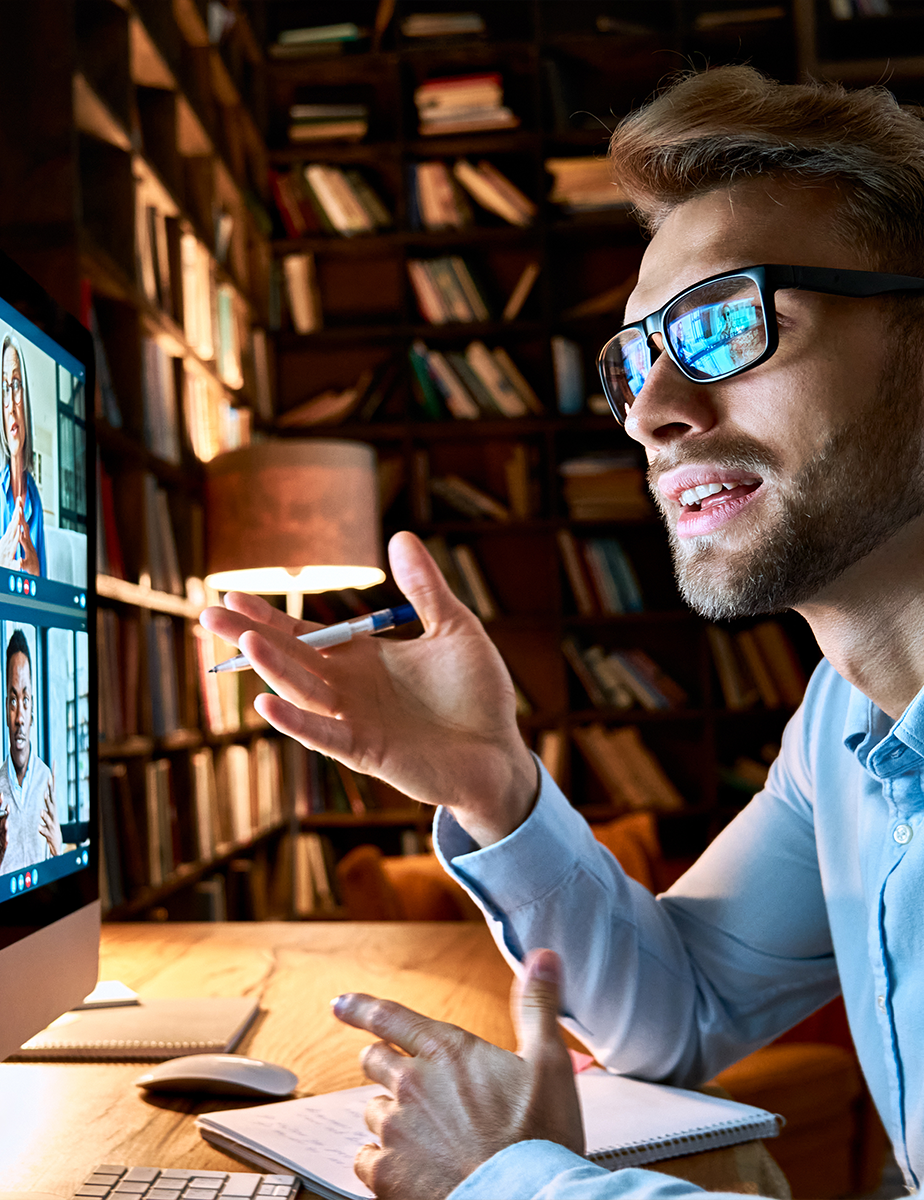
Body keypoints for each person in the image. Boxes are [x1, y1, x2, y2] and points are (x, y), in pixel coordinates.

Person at [201, 65, 924, 1199]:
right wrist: (496, 788)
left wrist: (512, 1182)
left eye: (730, 322)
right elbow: (680, 1011)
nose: (652, 412)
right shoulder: (843, 724)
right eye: (633, 362)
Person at [0, 629, 60, 881]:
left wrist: (59, 848)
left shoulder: (47, 780)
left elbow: (60, 878)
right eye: (13, 701)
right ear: (5, 711)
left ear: (33, 709)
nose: (20, 718)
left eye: (25, 700)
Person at [0, 334, 46, 577]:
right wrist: (0, 561)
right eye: (3, 388)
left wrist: (36, 572)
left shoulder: (35, 499)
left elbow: (44, 592)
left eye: (16, 385)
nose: (10, 404)